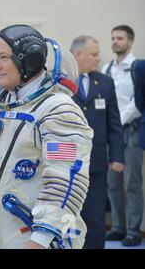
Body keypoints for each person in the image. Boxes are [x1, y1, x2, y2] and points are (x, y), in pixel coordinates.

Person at [0, 24, 94, 249]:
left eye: (3, 57)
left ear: (30, 59)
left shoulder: (58, 110)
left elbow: (67, 181)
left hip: (36, 238)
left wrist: (40, 239)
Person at [70, 35, 124, 249]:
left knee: (95, 216)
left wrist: (118, 157)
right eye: (94, 54)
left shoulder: (105, 82)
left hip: (97, 162)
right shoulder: (61, 82)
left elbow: (114, 124)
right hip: (67, 162)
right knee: (68, 216)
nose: (98, 59)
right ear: (78, 55)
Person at [102, 25, 143, 247]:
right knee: (112, 183)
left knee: (133, 183)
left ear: (130, 41)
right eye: (113, 38)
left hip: (132, 131)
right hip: (112, 134)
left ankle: (134, 230)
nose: (115, 42)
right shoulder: (108, 69)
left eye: (120, 38)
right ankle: (118, 227)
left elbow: (140, 102)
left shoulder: (138, 67)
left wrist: (117, 120)